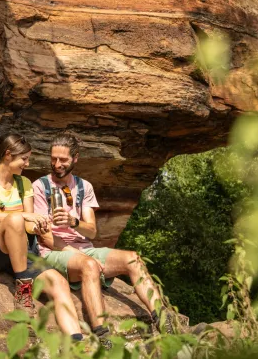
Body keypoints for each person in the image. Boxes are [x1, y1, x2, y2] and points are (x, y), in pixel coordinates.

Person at [33, 132, 176, 339]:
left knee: (133, 259)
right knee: (89, 266)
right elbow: (45, 238)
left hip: (83, 247)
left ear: (75, 158)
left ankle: (164, 322)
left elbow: (91, 230)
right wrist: (83, 257)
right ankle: (103, 336)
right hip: (54, 250)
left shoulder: (84, 187)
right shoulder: (40, 187)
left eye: (63, 160)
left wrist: (73, 222)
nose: (57, 164)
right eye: (53, 158)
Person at [0, 133, 84, 341]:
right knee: (14, 220)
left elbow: (29, 224)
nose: (27, 163)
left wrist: (39, 224)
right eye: (24, 159)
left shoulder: (25, 184)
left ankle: (77, 343)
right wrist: (23, 215)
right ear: (8, 155)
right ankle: (23, 290)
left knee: (58, 282)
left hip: (23, 250)